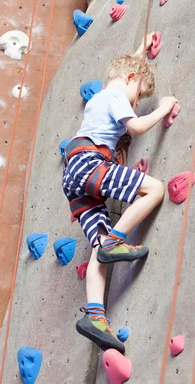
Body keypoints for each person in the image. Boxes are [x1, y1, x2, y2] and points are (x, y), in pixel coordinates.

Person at [62, 34, 178, 353]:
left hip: (73, 178)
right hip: (89, 162)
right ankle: (116, 241)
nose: (136, 104)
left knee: (98, 248)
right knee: (154, 189)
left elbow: (121, 73)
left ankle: (95, 316)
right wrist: (163, 107)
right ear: (128, 80)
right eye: (138, 96)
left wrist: (140, 50)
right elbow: (137, 127)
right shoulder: (115, 97)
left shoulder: (101, 96)